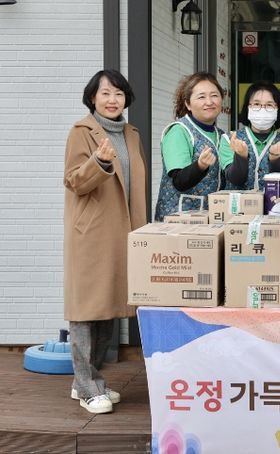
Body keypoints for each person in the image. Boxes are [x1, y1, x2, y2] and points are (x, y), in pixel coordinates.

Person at [63, 70, 148, 414]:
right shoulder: (81, 132)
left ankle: (86, 381)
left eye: (119, 94)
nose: (113, 100)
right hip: (92, 233)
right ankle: (87, 386)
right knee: (86, 310)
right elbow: (74, 181)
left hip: (124, 232)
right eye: (105, 93)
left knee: (109, 307)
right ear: (92, 98)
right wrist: (97, 161)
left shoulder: (131, 134)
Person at [154, 72, 227, 221]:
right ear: (188, 104)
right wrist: (200, 166)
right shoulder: (179, 131)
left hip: (210, 219)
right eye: (201, 97)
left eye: (214, 95)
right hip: (178, 220)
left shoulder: (221, 135)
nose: (209, 102)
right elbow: (179, 181)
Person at [222, 81, 280, 191]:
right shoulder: (229, 140)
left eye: (269, 105)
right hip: (239, 202)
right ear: (248, 107)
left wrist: (276, 159)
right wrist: (241, 157)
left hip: (275, 202)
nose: (262, 109)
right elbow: (235, 180)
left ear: (278, 109)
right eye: (256, 104)